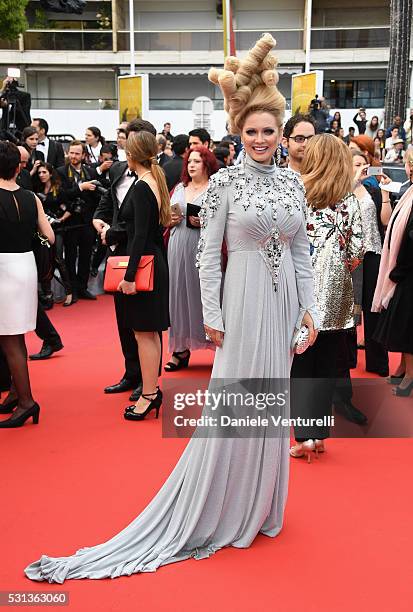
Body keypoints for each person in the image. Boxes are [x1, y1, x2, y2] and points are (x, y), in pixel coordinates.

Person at [25, 33, 318, 583]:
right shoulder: (226, 183)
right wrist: (214, 317)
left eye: (268, 131)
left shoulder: (293, 186)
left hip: (280, 309)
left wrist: (308, 308)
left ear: (282, 134)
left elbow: (301, 251)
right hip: (240, 303)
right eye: (250, 131)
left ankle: (260, 504)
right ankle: (225, 503)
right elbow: (209, 259)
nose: (259, 139)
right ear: (239, 133)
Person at [290, 134, 364, 460]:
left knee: (301, 367)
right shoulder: (351, 200)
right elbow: (357, 250)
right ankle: (318, 436)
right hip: (337, 296)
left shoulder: (298, 196)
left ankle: (305, 438)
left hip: (302, 294)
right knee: (326, 369)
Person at [93, 118, 158, 399]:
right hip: (121, 252)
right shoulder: (118, 170)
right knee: (125, 318)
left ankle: (149, 382)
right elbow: (108, 204)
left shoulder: (152, 178)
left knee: (146, 324)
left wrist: (115, 233)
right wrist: (99, 221)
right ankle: (132, 373)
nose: (124, 144)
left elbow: (144, 226)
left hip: (140, 254)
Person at [113, 131, 171, 420]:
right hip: (154, 262)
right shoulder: (152, 182)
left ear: (132, 154)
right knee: (149, 332)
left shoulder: (142, 186)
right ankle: (152, 391)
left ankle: (148, 394)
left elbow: (139, 236)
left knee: (143, 334)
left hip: (145, 266)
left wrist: (131, 275)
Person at [0, 141, 54, 428]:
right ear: (18, 167)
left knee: (9, 340)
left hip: (3, 269)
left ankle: (26, 402)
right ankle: (15, 394)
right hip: (24, 266)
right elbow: (50, 237)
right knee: (14, 335)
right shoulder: (31, 196)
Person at [165, 146, 219, 372]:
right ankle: (180, 350)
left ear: (207, 164)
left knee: (206, 295)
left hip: (205, 247)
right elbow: (164, 219)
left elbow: (227, 221)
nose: (192, 165)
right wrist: (169, 219)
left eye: (197, 161)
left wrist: (207, 222)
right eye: (189, 162)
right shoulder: (179, 188)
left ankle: (217, 346)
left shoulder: (215, 188)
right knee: (178, 296)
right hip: (177, 245)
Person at [351, 149, 390, 376]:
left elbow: (385, 220)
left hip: (373, 253)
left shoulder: (374, 190)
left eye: (363, 165)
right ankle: (347, 359)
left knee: (373, 309)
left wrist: (384, 192)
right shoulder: (340, 190)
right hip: (349, 255)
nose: (360, 169)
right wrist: (353, 182)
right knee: (348, 309)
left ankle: (378, 362)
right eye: (355, 165)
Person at [372, 182, 413, 396]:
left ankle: (409, 377)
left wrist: (400, 269)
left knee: (406, 327)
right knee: (402, 324)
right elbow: (391, 223)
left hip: (408, 272)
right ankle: (404, 369)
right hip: (404, 271)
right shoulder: (409, 192)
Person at [57, 140, 99, 302]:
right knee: (70, 256)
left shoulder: (91, 172)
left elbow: (96, 197)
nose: (73, 156)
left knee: (86, 255)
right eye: (71, 153)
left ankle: (83, 287)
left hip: (88, 221)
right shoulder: (60, 172)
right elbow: (61, 195)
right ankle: (72, 289)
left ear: (83, 155)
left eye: (76, 153)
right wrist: (81, 188)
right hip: (69, 222)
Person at [32, 161, 73, 307]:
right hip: (41, 231)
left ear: (50, 173)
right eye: (39, 173)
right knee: (44, 262)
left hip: (58, 230)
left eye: (44, 172)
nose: (42, 175)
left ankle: (69, 293)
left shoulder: (59, 189)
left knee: (58, 260)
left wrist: (60, 219)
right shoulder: (37, 189)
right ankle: (47, 295)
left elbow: (70, 208)